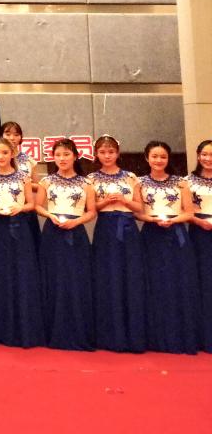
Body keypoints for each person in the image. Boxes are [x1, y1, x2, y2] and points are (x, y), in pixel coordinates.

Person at [136, 140, 199, 354]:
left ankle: (179, 335)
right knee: (154, 283)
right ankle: (155, 337)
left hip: (176, 235)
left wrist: (173, 220)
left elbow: (189, 212)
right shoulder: (139, 182)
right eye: (154, 156)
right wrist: (153, 219)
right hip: (151, 235)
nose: (159, 160)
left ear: (168, 159)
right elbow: (138, 213)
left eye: (163, 157)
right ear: (147, 158)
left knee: (177, 282)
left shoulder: (181, 183)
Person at [0, 137, 43, 348]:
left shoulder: (23, 176)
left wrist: (20, 208)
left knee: (21, 272)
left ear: (12, 154)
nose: (0, 157)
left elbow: (32, 204)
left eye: (4, 153)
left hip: (19, 227)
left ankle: (23, 327)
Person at [36, 138, 96, 351]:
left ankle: (78, 330)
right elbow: (38, 206)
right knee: (54, 279)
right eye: (58, 155)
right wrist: (50, 216)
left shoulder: (86, 183)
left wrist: (76, 222)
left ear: (75, 156)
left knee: (76, 279)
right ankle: (54, 331)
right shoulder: (46, 182)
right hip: (52, 232)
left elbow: (91, 211)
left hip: (76, 233)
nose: (62, 159)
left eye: (66, 154)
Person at [87, 134, 145, 353]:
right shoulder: (91, 179)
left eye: (111, 152)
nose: (107, 156)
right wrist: (104, 202)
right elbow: (90, 210)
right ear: (96, 154)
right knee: (108, 276)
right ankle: (110, 334)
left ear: (118, 153)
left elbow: (139, 208)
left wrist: (124, 200)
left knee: (130, 276)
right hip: (105, 229)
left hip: (128, 229)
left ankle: (133, 333)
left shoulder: (130, 177)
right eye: (102, 152)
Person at [187, 139, 212, 352]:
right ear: (198, 155)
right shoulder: (187, 181)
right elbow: (183, 209)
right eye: (205, 154)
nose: (208, 158)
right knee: (202, 281)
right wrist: (197, 221)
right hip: (198, 232)